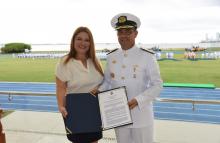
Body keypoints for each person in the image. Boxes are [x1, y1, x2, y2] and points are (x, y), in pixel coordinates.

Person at [99, 13, 163, 143]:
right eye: (120, 32)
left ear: (136, 33)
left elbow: (157, 85)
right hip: (119, 116)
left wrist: (139, 100)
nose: (123, 35)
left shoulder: (147, 56)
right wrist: (98, 91)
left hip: (141, 117)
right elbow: (107, 81)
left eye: (128, 31)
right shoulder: (112, 56)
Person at [55, 26, 104, 143]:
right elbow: (60, 87)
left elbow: (103, 82)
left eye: (87, 40)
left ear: (91, 43)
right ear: (73, 41)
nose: (83, 43)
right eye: (79, 39)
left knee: (94, 140)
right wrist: (61, 106)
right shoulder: (64, 61)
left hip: (94, 109)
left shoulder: (95, 60)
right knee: (79, 140)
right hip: (75, 109)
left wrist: (99, 88)